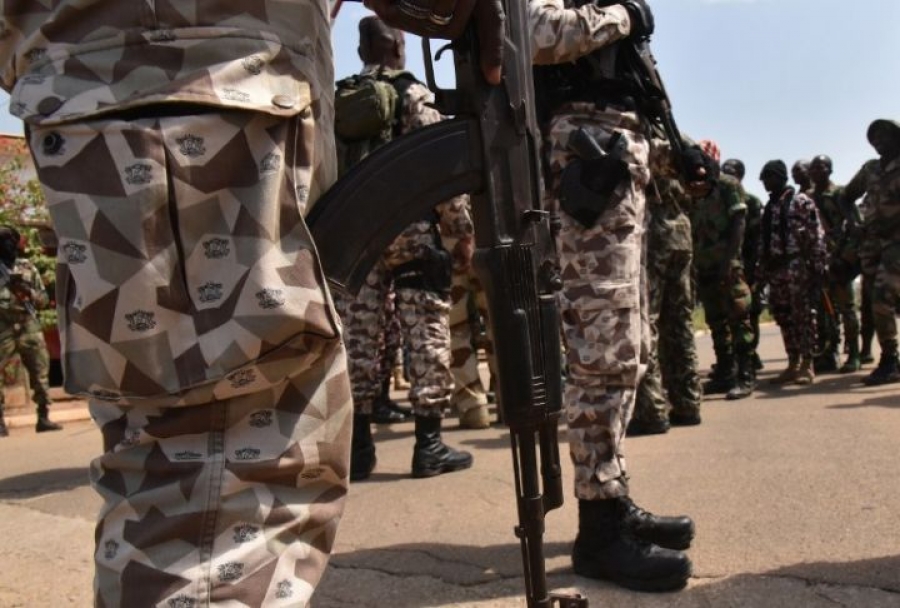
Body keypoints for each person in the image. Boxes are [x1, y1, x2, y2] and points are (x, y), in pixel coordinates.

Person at [0, 0, 503, 605]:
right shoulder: (407, 93)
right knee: (217, 500)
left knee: (183, 465)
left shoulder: (357, 92)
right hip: (208, 72)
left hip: (127, 81)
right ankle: (427, 437)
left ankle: (373, 443)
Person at [531, 0, 694, 592]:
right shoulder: (598, 10)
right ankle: (599, 531)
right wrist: (623, 14)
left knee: (627, 346)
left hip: (617, 157)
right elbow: (537, 32)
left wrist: (679, 153)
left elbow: (629, 94)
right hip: (588, 157)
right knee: (602, 351)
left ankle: (611, 497)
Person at [339, 17, 476, 480]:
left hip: (357, 231)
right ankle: (429, 446)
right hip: (411, 229)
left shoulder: (340, 98)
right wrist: (460, 232)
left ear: (362, 50)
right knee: (426, 331)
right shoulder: (414, 94)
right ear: (398, 46)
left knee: (359, 336)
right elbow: (443, 170)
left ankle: (358, 450)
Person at [630, 175, 702, 435]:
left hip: (654, 230)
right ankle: (688, 402)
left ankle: (652, 411)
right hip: (681, 230)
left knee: (646, 320)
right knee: (680, 321)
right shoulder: (682, 154)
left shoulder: (649, 150)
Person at [684, 149, 756, 400]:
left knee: (739, 318)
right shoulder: (693, 189)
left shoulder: (728, 185)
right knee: (716, 322)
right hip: (704, 266)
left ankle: (746, 376)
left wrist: (729, 261)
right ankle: (725, 373)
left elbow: (739, 223)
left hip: (727, 266)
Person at [757, 160, 828, 386]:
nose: (765, 182)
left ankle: (807, 363)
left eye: (769, 177)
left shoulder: (800, 202)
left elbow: (816, 235)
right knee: (784, 317)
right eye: (763, 179)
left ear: (780, 177)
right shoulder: (769, 208)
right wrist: (761, 274)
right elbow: (763, 243)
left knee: (803, 317)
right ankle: (793, 362)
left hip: (797, 267)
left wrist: (818, 267)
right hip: (776, 270)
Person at [0, 225, 62, 435]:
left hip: (28, 325)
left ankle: (43, 417)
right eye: (2, 241)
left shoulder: (27, 268)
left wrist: (28, 292)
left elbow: (43, 300)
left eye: (10, 240)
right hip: (3, 326)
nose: (7, 245)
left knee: (40, 371)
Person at [808, 154, 863, 374]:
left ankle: (854, 354)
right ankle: (829, 354)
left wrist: (846, 259)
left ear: (830, 170)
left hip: (840, 260)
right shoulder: (808, 197)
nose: (816, 171)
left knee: (847, 309)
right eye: (813, 168)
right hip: (819, 260)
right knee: (824, 311)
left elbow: (856, 228)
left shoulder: (841, 194)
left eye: (821, 167)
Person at [857, 119, 900, 385]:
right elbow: (846, 196)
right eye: (874, 137)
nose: (878, 141)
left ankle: (890, 360)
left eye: (884, 135)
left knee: (882, 297)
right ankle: (891, 359)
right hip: (875, 247)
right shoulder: (871, 169)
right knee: (877, 301)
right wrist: (854, 223)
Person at [721, 158, 765, 371]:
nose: (726, 174)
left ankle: (750, 355)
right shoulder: (720, 199)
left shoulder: (752, 202)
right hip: (727, 264)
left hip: (746, 263)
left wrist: (754, 268)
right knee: (728, 313)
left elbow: (757, 238)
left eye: (731, 171)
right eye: (724, 170)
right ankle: (734, 359)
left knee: (748, 312)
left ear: (740, 175)